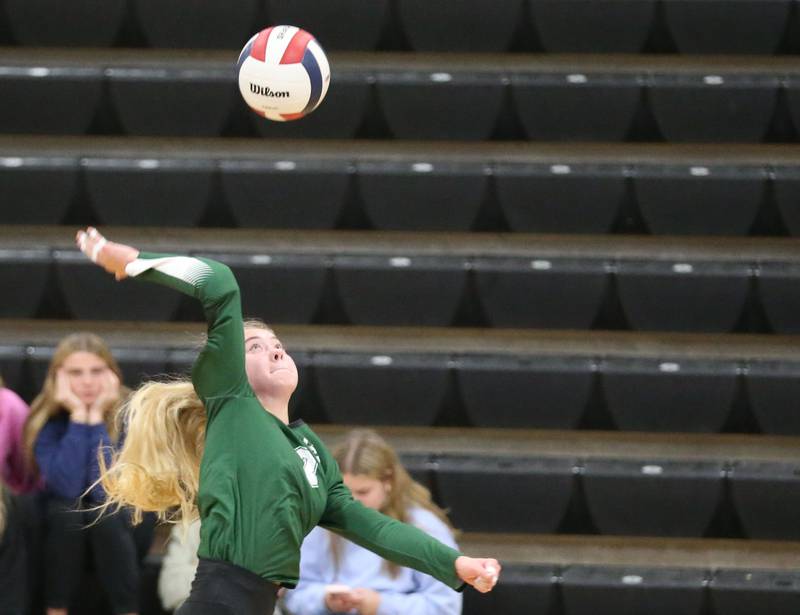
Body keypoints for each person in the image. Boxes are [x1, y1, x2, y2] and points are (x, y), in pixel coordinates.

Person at [75, 226, 500, 615]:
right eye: (255, 347)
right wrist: (132, 262)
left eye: (278, 344)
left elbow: (374, 527)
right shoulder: (233, 405)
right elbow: (219, 283)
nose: (275, 350)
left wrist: (454, 563)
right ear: (228, 368)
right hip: (219, 601)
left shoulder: (310, 450)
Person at [23, 333, 142, 615]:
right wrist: (80, 417)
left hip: (124, 524)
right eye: (75, 373)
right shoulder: (45, 420)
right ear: (57, 378)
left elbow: (106, 491)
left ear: (112, 375)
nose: (87, 381)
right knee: (65, 511)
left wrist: (98, 419)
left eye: (97, 371)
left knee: (108, 516)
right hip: (61, 530)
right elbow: (67, 487)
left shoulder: (132, 414)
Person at [284, 428, 463, 615]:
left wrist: (380, 605)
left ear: (388, 482)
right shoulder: (321, 521)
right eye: (342, 491)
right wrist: (324, 600)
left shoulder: (425, 525)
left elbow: (446, 607)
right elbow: (294, 593)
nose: (350, 502)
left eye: (363, 492)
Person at [158, 520, 285, 615]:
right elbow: (169, 588)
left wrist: (203, 570)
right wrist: (236, 573)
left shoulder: (261, 527)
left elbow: (279, 588)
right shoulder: (188, 528)